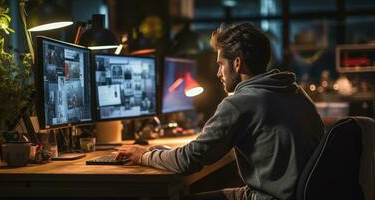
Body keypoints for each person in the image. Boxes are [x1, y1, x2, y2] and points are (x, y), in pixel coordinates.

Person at [115, 23, 324, 200]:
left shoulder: (241, 102)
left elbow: (188, 160)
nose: (218, 73)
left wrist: (144, 156)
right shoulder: (295, 92)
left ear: (237, 63)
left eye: (220, 64)